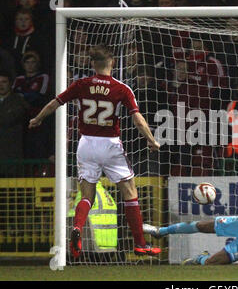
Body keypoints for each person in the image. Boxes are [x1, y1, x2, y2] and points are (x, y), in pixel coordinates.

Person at [28, 44, 162, 258]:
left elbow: (55, 103)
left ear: (92, 64)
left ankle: (78, 227)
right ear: (112, 63)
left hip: (86, 144)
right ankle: (140, 244)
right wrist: (152, 140)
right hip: (110, 144)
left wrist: (37, 119)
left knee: (87, 195)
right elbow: (137, 119)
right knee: (130, 193)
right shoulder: (121, 89)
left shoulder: (81, 84)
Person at [0, 70, 29, 177]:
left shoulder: (18, 101)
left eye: (4, 82)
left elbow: (10, 119)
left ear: (11, 84)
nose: (1, 85)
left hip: (13, 157)